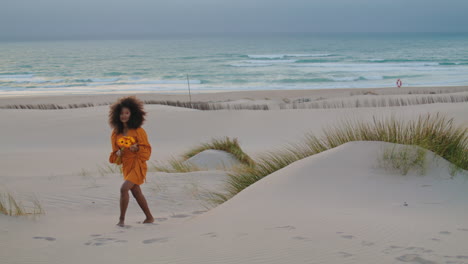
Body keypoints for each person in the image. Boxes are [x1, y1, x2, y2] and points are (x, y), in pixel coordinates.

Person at [109, 96, 154, 227]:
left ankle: (121, 220)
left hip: (138, 164)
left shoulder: (139, 131)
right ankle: (149, 217)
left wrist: (137, 148)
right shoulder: (115, 133)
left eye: (127, 113)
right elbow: (114, 156)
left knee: (124, 189)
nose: (124, 116)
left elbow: (147, 150)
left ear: (132, 114)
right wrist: (118, 153)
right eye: (121, 113)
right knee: (136, 192)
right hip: (127, 166)